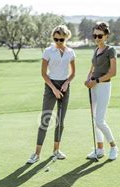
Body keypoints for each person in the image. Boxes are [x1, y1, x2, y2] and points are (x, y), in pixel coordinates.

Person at [27, 25, 76, 164]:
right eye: (55, 39)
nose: (58, 42)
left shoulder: (71, 52)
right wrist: (54, 89)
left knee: (61, 121)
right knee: (45, 119)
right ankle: (36, 154)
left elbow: (73, 73)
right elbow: (43, 73)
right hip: (50, 86)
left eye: (61, 39)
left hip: (65, 87)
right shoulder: (48, 51)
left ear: (66, 38)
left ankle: (56, 150)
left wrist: (66, 83)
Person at [84, 22, 119, 160]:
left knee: (100, 120)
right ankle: (99, 149)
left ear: (106, 36)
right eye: (95, 35)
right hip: (93, 86)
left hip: (104, 86)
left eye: (100, 35)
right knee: (94, 119)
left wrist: (96, 81)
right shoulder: (96, 50)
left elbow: (113, 72)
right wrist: (88, 80)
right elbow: (92, 69)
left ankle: (114, 147)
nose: (97, 38)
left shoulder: (111, 50)